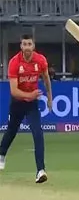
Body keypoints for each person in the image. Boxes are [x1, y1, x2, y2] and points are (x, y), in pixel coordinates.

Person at [0, 35, 52, 183]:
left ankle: (40, 170)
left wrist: (50, 97)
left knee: (38, 134)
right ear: (21, 47)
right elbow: (14, 91)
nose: (27, 47)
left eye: (30, 44)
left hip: (31, 104)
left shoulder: (40, 60)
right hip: (17, 103)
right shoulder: (14, 62)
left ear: (33, 46)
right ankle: (1, 154)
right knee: (11, 131)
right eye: (25, 44)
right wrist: (30, 94)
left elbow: (46, 78)